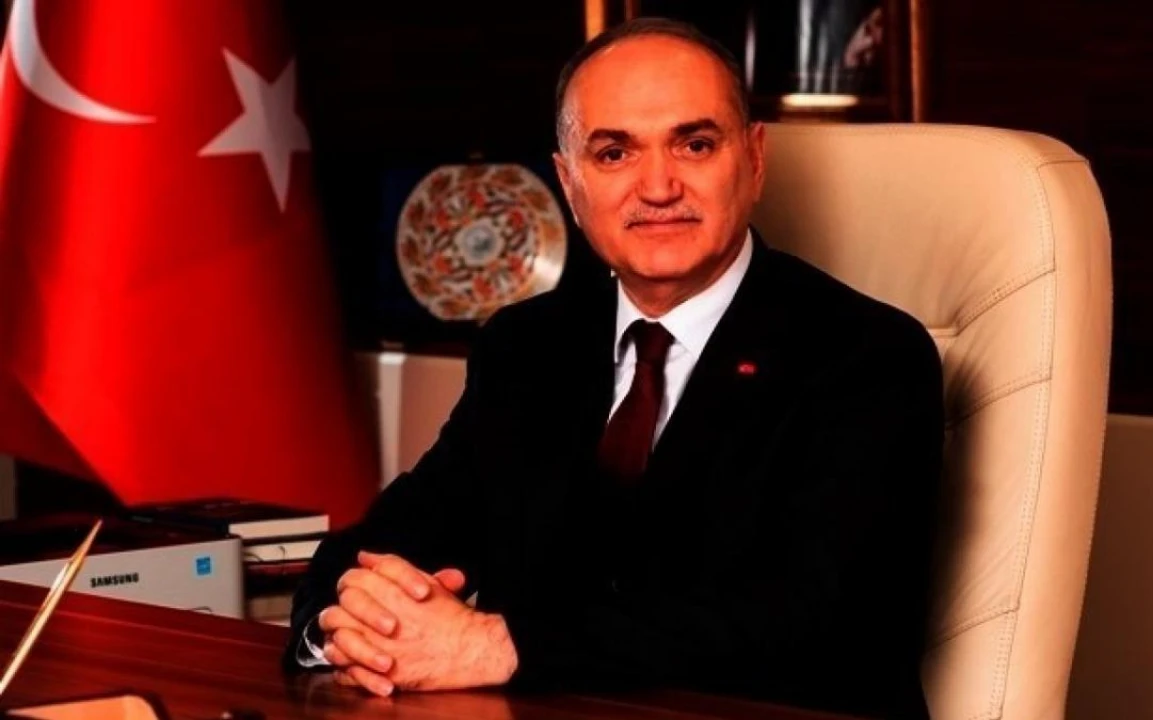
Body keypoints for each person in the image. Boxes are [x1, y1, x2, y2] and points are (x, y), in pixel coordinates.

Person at [286, 17, 942, 719]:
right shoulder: (527, 347)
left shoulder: (868, 354)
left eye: (694, 144)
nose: (657, 186)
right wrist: (350, 624)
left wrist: (500, 646)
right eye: (614, 153)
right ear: (569, 183)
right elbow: (391, 541)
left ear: (754, 159)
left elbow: (808, 619)